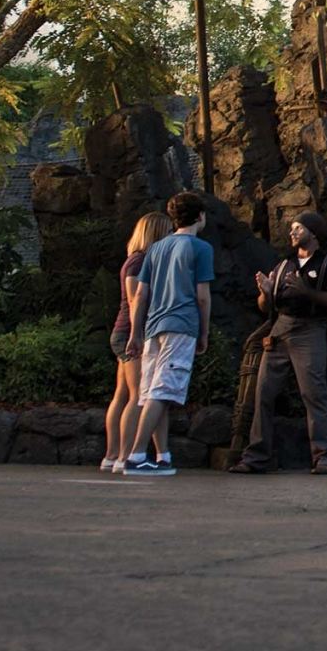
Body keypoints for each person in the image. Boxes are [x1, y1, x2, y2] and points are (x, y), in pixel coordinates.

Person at [231, 211, 327, 475]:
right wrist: (265, 292)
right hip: (281, 327)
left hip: (310, 330)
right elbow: (265, 307)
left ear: (313, 233)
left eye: (298, 228)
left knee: (314, 392)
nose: (293, 232)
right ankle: (256, 457)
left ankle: (326, 456)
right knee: (263, 393)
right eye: (292, 228)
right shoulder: (284, 265)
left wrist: (306, 291)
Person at [124, 191, 214, 477]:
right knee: (163, 392)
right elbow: (203, 296)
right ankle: (137, 455)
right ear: (200, 216)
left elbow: (140, 294)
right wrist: (204, 332)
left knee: (152, 392)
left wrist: (135, 333)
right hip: (182, 325)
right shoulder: (201, 248)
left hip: (153, 326)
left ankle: (162, 457)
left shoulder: (156, 248)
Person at [102, 212, 173, 475]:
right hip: (131, 333)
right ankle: (125, 456)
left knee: (121, 395)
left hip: (124, 332)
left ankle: (112, 455)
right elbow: (135, 301)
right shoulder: (139, 262)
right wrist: (138, 336)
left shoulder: (136, 261)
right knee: (138, 397)